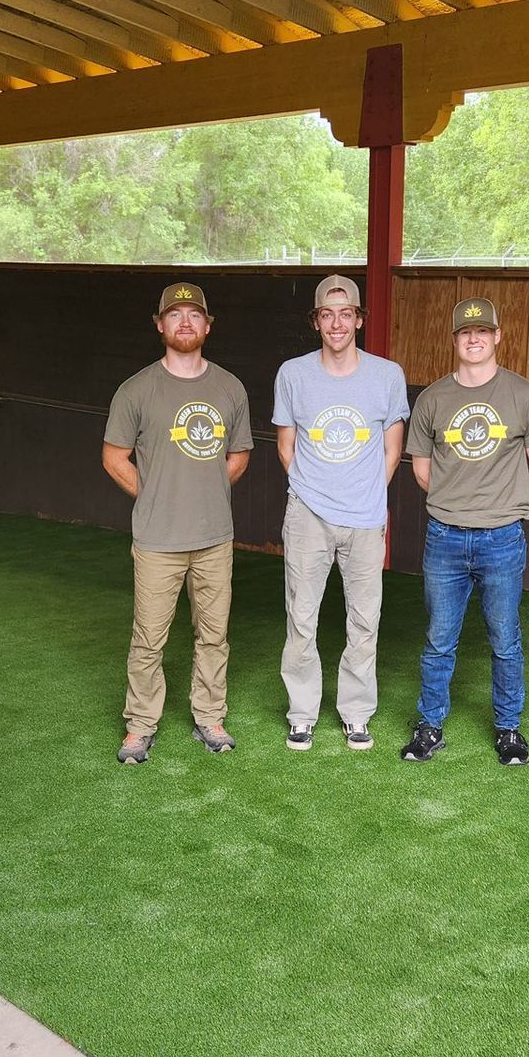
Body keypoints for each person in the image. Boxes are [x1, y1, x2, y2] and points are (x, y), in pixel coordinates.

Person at [400, 296, 529, 766]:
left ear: (497, 337)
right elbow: (423, 470)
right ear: (455, 340)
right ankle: (430, 726)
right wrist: (457, 503)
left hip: (501, 539)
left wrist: (501, 509)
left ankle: (509, 729)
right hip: (444, 537)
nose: (474, 338)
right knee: (438, 638)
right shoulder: (433, 399)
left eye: (482, 331)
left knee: (504, 639)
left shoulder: (523, 395)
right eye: (466, 332)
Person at [102, 282, 253, 763]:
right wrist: (156, 495)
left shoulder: (229, 387)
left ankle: (209, 717)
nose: (184, 322)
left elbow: (239, 455)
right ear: (159, 324)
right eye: (175, 315)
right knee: (148, 637)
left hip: (213, 539)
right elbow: (114, 457)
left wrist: (204, 490)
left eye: (194, 315)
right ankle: (140, 725)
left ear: (208, 325)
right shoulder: (137, 389)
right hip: (157, 541)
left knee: (214, 634)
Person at [272, 275, 410, 752]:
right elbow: (286, 447)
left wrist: (363, 493)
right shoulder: (293, 373)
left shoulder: (387, 375)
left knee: (364, 619)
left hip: (366, 516)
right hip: (307, 513)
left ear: (359, 319)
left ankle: (355, 713)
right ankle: (302, 713)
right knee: (302, 616)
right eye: (327, 314)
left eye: (345, 313)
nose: (336, 323)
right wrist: (317, 491)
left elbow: (393, 451)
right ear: (316, 321)